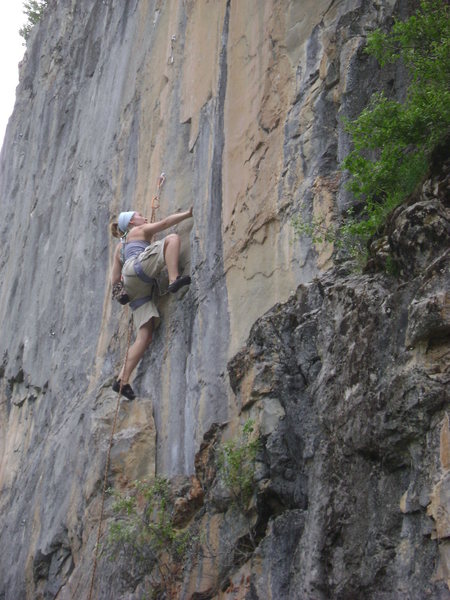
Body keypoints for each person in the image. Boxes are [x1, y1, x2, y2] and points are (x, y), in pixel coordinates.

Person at [110, 207, 193, 399]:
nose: (144, 217)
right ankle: (174, 280)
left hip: (133, 288)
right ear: (131, 222)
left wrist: (119, 292)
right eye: (139, 215)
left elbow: (114, 277)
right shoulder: (138, 230)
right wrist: (188, 214)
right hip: (138, 269)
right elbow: (165, 224)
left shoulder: (119, 247)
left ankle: (122, 380)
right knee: (172, 239)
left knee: (145, 335)